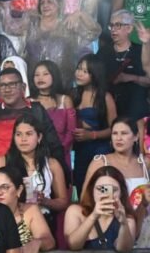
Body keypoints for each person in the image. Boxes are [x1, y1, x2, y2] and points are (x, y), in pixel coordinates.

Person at [0, 114, 70, 234]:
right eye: (18, 134)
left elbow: (63, 202)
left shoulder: (52, 164)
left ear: (39, 137)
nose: (23, 139)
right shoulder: (2, 162)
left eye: (29, 134)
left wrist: (45, 201)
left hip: (43, 222)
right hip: (10, 222)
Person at [0, 68, 65, 173]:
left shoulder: (36, 111)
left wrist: (61, 173)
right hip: (1, 177)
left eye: (12, 84)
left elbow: (54, 145)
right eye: (3, 85)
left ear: (23, 87)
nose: (7, 89)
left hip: (34, 175)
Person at [22, 0, 100, 87]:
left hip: (63, 83)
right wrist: (25, 16)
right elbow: (15, 34)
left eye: (50, 2)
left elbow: (94, 32)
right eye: (42, 3)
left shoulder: (67, 23)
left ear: (59, 5)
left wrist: (80, 14)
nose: (45, 5)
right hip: (35, 82)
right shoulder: (32, 24)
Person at [72, 54, 117, 193]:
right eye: (79, 69)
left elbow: (114, 129)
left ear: (95, 74)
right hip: (79, 151)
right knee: (81, 187)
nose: (79, 73)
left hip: (99, 150)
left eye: (85, 71)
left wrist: (92, 135)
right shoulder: (72, 95)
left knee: (100, 187)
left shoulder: (105, 97)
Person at [83, 117, 150, 207]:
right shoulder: (101, 163)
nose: (118, 138)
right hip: (111, 218)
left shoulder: (145, 163)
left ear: (136, 137)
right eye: (114, 133)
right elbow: (85, 198)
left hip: (144, 218)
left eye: (124, 133)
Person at [98, 9, 150, 123]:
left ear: (129, 28)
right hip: (110, 112)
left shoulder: (140, 50)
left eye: (118, 25)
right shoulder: (103, 52)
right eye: (111, 25)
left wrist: (130, 78)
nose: (113, 29)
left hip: (137, 112)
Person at [29, 61, 76, 173]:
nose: (40, 78)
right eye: (37, 75)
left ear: (54, 76)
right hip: (34, 157)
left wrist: (57, 152)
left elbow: (71, 131)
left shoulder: (65, 100)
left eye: (45, 74)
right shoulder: (28, 102)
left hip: (61, 154)